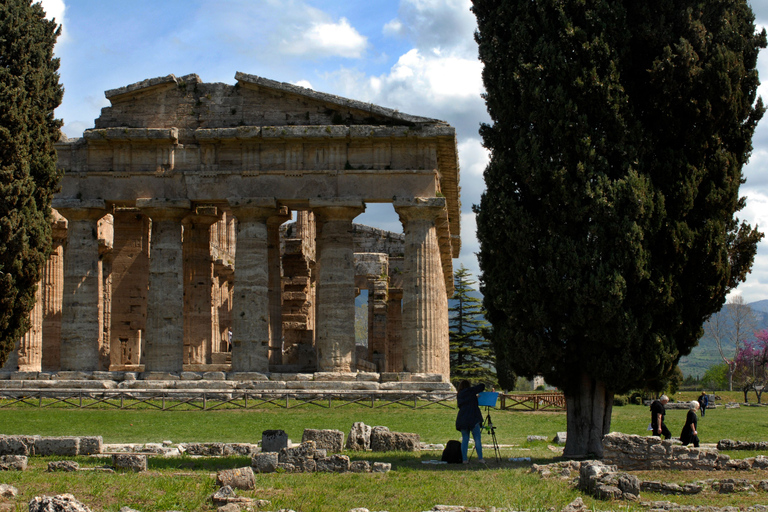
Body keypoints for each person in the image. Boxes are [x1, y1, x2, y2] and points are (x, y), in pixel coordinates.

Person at [455, 380, 485, 464]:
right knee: (477, 439)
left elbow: (466, 401)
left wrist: (474, 397)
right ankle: (480, 458)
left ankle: (464, 459)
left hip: (462, 417)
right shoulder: (470, 391)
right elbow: (482, 385)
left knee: (465, 439)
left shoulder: (460, 394)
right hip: (473, 416)